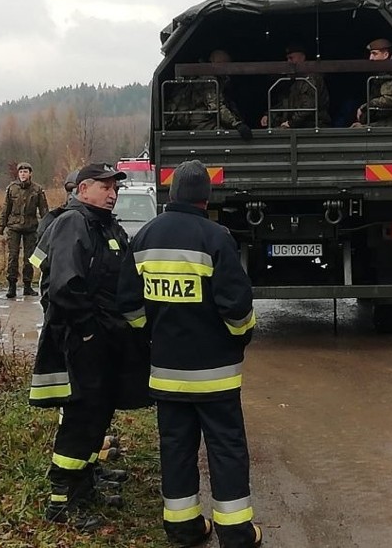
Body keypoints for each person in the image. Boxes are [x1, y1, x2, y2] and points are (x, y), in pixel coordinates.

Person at [118, 159, 262, 548]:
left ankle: (183, 528)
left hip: (166, 372)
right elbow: (236, 307)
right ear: (206, 197)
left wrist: (150, 337)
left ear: (171, 192)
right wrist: (241, 338)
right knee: (227, 449)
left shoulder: (145, 237)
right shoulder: (216, 238)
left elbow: (129, 305)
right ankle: (235, 534)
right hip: (216, 375)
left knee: (176, 449)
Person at [29, 163, 150, 531]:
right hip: (84, 341)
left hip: (106, 341)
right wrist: (88, 332)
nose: (113, 193)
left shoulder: (105, 224)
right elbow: (64, 287)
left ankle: (86, 482)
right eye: (105, 186)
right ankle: (62, 501)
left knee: (98, 413)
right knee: (82, 418)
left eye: (115, 187)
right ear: (83, 189)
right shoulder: (73, 223)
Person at [164, 49, 253, 140]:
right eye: (224, 64)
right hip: (200, 120)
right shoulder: (208, 80)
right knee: (228, 137)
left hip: (204, 119)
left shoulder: (214, 78)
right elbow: (216, 106)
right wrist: (237, 124)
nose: (227, 69)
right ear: (215, 63)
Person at [0, 161, 48, 299]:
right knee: (13, 257)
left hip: (31, 227)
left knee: (29, 258)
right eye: (21, 172)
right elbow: (5, 209)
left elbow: (44, 210)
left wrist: (46, 227)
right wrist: (1, 226)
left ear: (30, 174)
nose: (23, 174)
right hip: (14, 227)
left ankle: (27, 285)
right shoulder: (12, 188)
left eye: (25, 172)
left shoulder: (37, 189)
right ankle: (12, 286)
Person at [261, 42, 330, 129]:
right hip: (302, 125)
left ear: (303, 58)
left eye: (291, 58)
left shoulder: (311, 79)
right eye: (287, 59)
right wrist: (270, 116)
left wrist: (291, 123)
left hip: (313, 125)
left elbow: (308, 106)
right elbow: (286, 103)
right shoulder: (295, 81)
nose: (289, 62)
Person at [352, 38, 392, 127]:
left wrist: (364, 107)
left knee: (357, 129)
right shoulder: (389, 69)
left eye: (374, 54)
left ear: (386, 54)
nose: (370, 58)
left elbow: (388, 100)